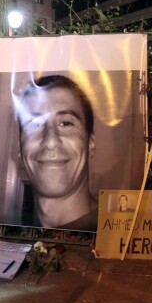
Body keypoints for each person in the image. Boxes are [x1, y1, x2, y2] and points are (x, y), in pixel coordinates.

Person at [15, 74, 97, 231]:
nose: (51, 141)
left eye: (66, 123)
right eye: (35, 124)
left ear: (90, 144)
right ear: (20, 147)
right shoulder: (7, 231)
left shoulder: (114, 234)